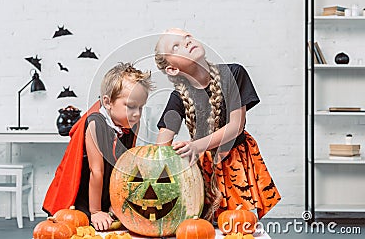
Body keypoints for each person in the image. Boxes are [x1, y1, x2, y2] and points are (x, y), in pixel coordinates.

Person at [154, 28, 281, 221]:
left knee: (237, 223)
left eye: (186, 37)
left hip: (236, 162)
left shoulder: (233, 73)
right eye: (176, 46)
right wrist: (172, 158)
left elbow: (235, 126)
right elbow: (162, 144)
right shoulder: (178, 97)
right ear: (172, 69)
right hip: (203, 169)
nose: (187, 42)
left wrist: (195, 145)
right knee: (203, 226)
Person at [43, 62, 154, 231]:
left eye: (141, 107)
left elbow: (124, 166)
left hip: (107, 190)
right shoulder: (96, 124)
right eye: (131, 106)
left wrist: (116, 203)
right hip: (85, 197)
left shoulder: (131, 122)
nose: (137, 113)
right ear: (108, 102)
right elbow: (96, 172)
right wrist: (95, 212)